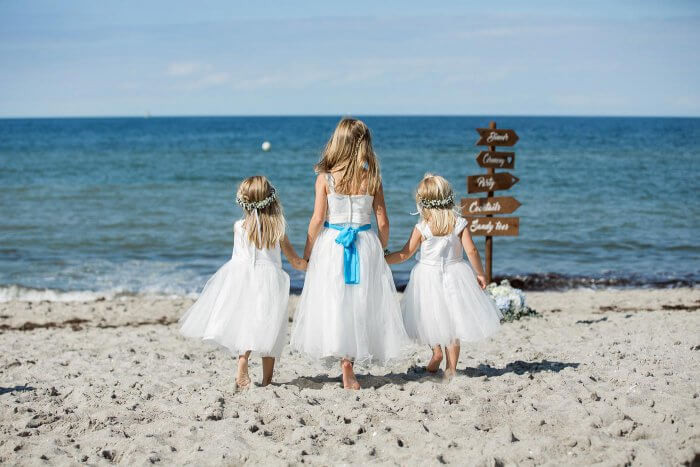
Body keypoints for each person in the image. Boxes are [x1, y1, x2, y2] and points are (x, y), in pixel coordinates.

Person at [290, 118, 408, 390]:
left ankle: (343, 357)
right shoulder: (372, 176)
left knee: (335, 299)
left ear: (337, 142)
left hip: (332, 243)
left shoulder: (326, 178)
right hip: (364, 240)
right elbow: (383, 220)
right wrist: (382, 247)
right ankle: (349, 361)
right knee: (361, 301)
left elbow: (318, 218)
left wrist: (308, 253)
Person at [180, 176, 306, 388]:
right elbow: (294, 260)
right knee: (269, 327)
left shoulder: (239, 226)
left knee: (246, 323)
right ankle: (267, 380)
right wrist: (308, 264)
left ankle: (243, 362)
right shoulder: (278, 228)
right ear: (271, 199)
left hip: (241, 278)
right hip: (269, 282)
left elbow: (238, 255)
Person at [385, 173, 502, 379]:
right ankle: (451, 369)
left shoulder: (422, 227)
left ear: (422, 202)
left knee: (429, 317)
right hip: (456, 275)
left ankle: (436, 351)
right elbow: (472, 251)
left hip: (426, 277)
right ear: (448, 197)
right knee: (453, 322)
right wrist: (480, 274)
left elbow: (405, 254)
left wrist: (384, 259)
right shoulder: (459, 223)